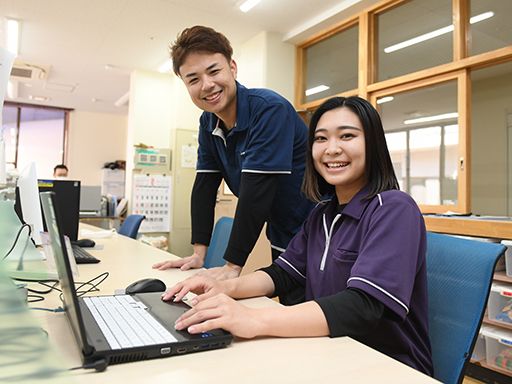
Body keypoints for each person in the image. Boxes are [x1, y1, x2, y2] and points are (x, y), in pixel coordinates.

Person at [162, 96, 433, 375]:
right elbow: (284, 274)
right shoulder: (321, 214)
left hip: (387, 366)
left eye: (347, 136)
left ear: (373, 144)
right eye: (320, 139)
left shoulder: (394, 209)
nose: (332, 149)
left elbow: (364, 305)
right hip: (329, 354)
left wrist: (256, 320)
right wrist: (224, 287)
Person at [153, 26, 314, 301]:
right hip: (282, 230)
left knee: (315, 317)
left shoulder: (268, 109)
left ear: (232, 68)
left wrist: (232, 266)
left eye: (214, 71)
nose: (207, 85)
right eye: (193, 79)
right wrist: (198, 253)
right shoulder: (208, 122)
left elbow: (256, 192)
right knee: (289, 307)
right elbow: (204, 186)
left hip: (318, 230)